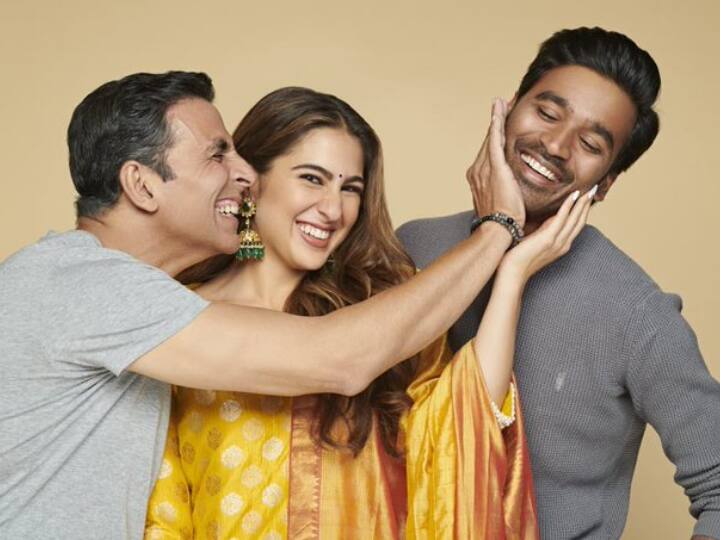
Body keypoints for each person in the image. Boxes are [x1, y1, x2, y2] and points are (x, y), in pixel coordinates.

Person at [0, 70, 537, 538]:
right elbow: (341, 358)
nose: (243, 174)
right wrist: (497, 229)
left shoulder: (149, 308)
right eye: (218, 154)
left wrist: (509, 275)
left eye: (350, 187)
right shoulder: (90, 289)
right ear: (140, 184)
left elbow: (454, 433)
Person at [144, 86, 593, 539]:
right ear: (250, 178)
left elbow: (462, 424)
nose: (332, 209)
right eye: (312, 178)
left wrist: (512, 274)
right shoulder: (181, 318)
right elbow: (162, 509)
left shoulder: (378, 312)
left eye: (350, 189)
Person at [397, 27, 720, 540]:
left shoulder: (636, 314)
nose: (554, 145)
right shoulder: (412, 247)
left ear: (605, 183)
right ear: (508, 110)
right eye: (547, 113)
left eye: (590, 144)